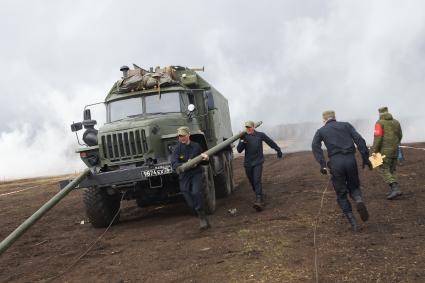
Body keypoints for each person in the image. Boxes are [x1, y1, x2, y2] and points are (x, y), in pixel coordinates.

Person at [312, 110, 372, 232]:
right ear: (335, 117)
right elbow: (360, 140)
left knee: (341, 193)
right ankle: (358, 199)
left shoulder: (321, 131)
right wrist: (365, 158)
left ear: (324, 120)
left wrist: (323, 164)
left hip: (335, 163)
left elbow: (315, 146)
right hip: (350, 160)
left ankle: (353, 223)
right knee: (354, 187)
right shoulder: (346, 125)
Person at [237, 121, 283, 211]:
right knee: (252, 182)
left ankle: (259, 201)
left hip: (258, 162)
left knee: (257, 180)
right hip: (248, 164)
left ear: (254, 127)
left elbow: (270, 142)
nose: (248, 129)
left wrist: (278, 150)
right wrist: (242, 141)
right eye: (247, 127)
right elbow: (239, 150)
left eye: (250, 127)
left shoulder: (260, 135)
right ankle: (260, 195)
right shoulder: (244, 137)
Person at [171, 126, 211, 230]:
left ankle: (201, 215)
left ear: (188, 135)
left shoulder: (196, 146)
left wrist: (206, 158)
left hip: (196, 173)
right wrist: (185, 164)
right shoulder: (177, 148)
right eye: (180, 136)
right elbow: (174, 163)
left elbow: (204, 161)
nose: (182, 138)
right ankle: (196, 210)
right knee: (185, 191)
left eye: (183, 135)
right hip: (184, 175)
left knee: (196, 192)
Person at [371, 106, 403, 200]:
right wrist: (395, 144)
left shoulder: (379, 123)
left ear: (379, 113)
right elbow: (400, 135)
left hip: (383, 151)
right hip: (395, 150)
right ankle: (394, 189)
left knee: (383, 169)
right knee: (392, 170)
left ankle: (395, 187)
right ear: (387, 112)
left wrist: (374, 152)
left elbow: (378, 138)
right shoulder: (396, 122)